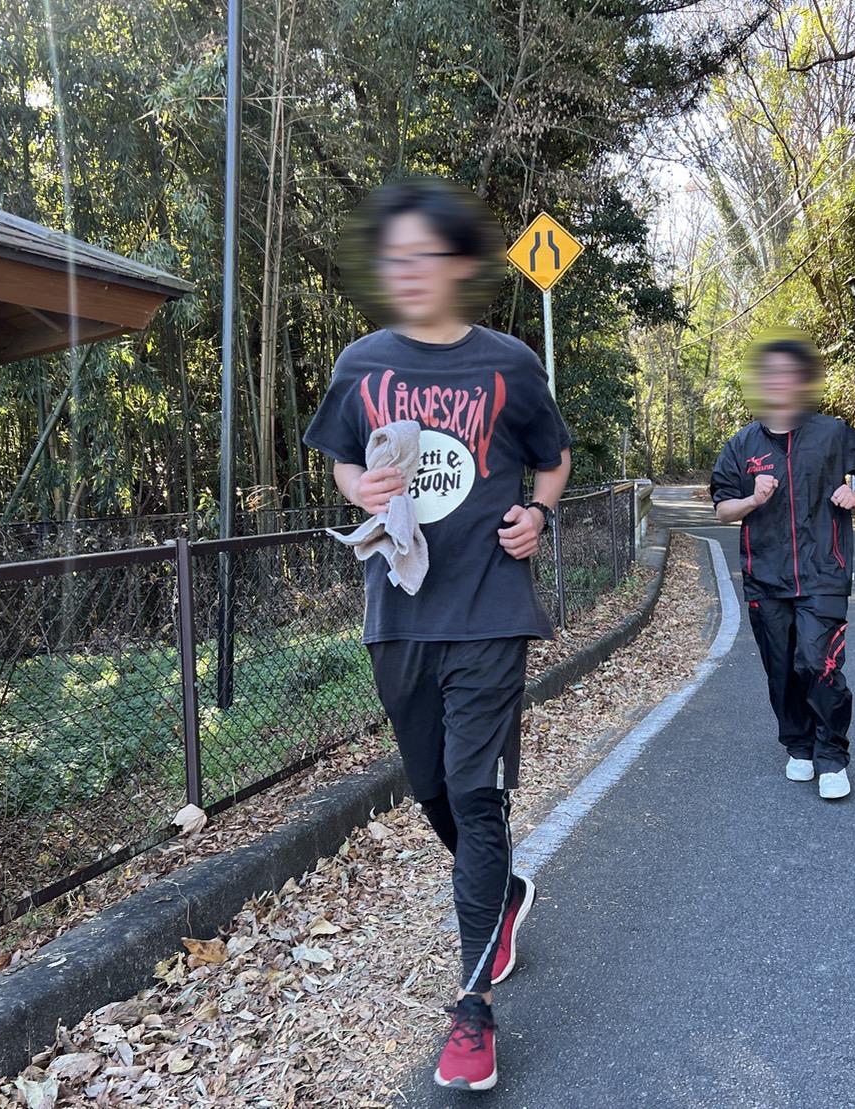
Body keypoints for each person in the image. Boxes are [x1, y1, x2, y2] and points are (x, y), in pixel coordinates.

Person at [304, 178, 571, 1091]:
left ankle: (471, 1010)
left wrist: (538, 513)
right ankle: (503, 890)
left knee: (474, 792)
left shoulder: (507, 363)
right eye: (394, 258)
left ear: (459, 265)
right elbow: (342, 460)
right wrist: (361, 488)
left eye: (424, 255)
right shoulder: (361, 363)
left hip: (490, 607)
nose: (407, 271)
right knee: (431, 790)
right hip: (399, 608)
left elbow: (553, 458)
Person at [709, 335, 855, 800]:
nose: (779, 382)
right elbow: (723, 510)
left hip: (824, 572)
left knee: (818, 662)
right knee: (781, 669)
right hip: (765, 577)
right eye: (770, 375)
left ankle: (832, 755)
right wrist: (753, 499)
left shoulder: (831, 433)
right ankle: (799, 745)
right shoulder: (742, 445)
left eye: (788, 374)